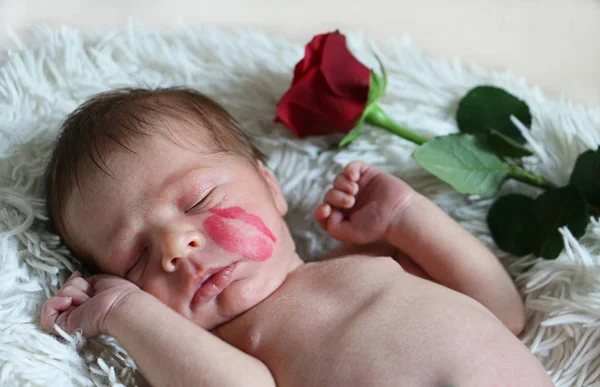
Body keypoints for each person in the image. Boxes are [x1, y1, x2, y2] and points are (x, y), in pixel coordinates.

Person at [40, 87, 553, 387]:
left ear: (270, 185)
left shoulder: (371, 257)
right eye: (136, 259)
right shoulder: (217, 352)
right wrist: (123, 312)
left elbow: (502, 310)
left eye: (198, 202)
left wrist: (407, 217)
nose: (176, 248)